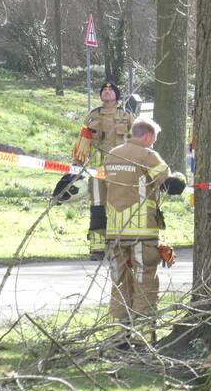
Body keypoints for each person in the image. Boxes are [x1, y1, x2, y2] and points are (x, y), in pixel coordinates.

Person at [103, 118, 186, 333]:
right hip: (142, 231)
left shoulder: (111, 155)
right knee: (144, 281)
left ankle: (119, 331)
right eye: (154, 140)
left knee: (119, 282)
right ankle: (141, 332)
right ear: (147, 136)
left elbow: (102, 187)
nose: (153, 144)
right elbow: (171, 186)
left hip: (115, 232)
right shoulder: (148, 155)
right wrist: (181, 178)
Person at [72, 81, 135, 260]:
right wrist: (76, 168)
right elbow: (82, 144)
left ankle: (121, 247)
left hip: (122, 171)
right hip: (97, 171)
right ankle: (97, 248)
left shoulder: (127, 116)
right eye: (104, 90)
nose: (106, 92)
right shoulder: (92, 117)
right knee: (98, 206)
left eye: (110, 90)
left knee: (121, 206)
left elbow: (139, 142)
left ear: (117, 95)